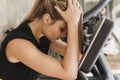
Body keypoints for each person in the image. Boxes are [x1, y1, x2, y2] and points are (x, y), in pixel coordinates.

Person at [0, 0, 83, 80]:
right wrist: (73, 23)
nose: (64, 35)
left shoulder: (42, 37)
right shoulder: (19, 44)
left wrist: (77, 22)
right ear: (47, 19)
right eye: (62, 29)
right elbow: (69, 75)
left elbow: (78, 54)